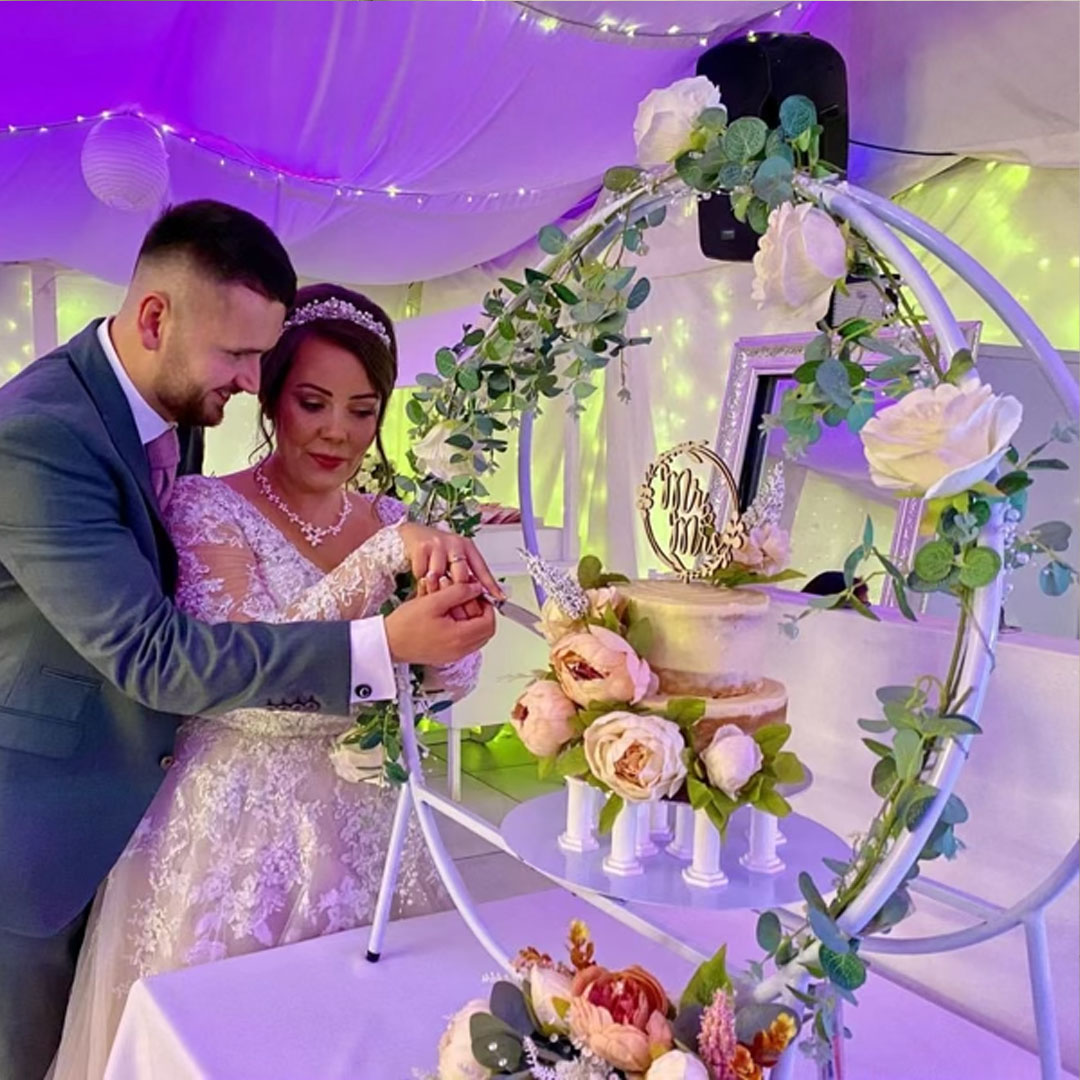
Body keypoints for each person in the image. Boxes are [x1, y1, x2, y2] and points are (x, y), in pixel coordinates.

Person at [0, 203, 499, 1079]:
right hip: (45, 814)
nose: (246, 381)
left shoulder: (173, 404)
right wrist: (382, 637)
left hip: (177, 795)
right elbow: (157, 655)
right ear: (156, 317)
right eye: (240, 358)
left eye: (260, 359)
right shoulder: (39, 434)